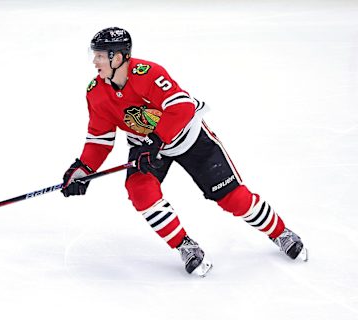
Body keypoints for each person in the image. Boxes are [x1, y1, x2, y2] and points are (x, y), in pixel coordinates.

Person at [61, 27, 308, 276]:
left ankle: (280, 233)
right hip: (147, 147)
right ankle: (185, 246)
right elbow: (99, 138)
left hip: (187, 139)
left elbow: (182, 107)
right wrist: (83, 169)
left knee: (234, 199)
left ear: (118, 57)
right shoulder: (96, 92)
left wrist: (156, 140)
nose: (95, 61)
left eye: (100, 55)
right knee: (140, 191)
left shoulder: (148, 74)